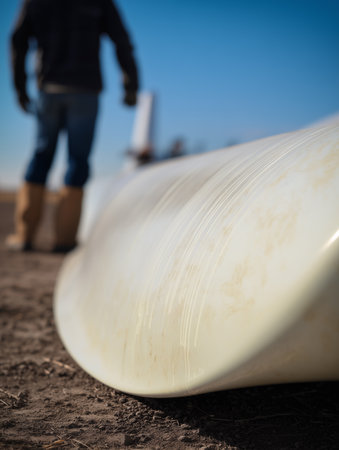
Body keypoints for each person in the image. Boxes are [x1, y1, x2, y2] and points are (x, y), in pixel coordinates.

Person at [6, 0, 139, 252]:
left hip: (49, 86)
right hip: (85, 90)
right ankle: (65, 240)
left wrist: (20, 87)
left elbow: (17, 41)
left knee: (42, 154)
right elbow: (122, 41)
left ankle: (24, 236)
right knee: (78, 159)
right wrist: (131, 83)